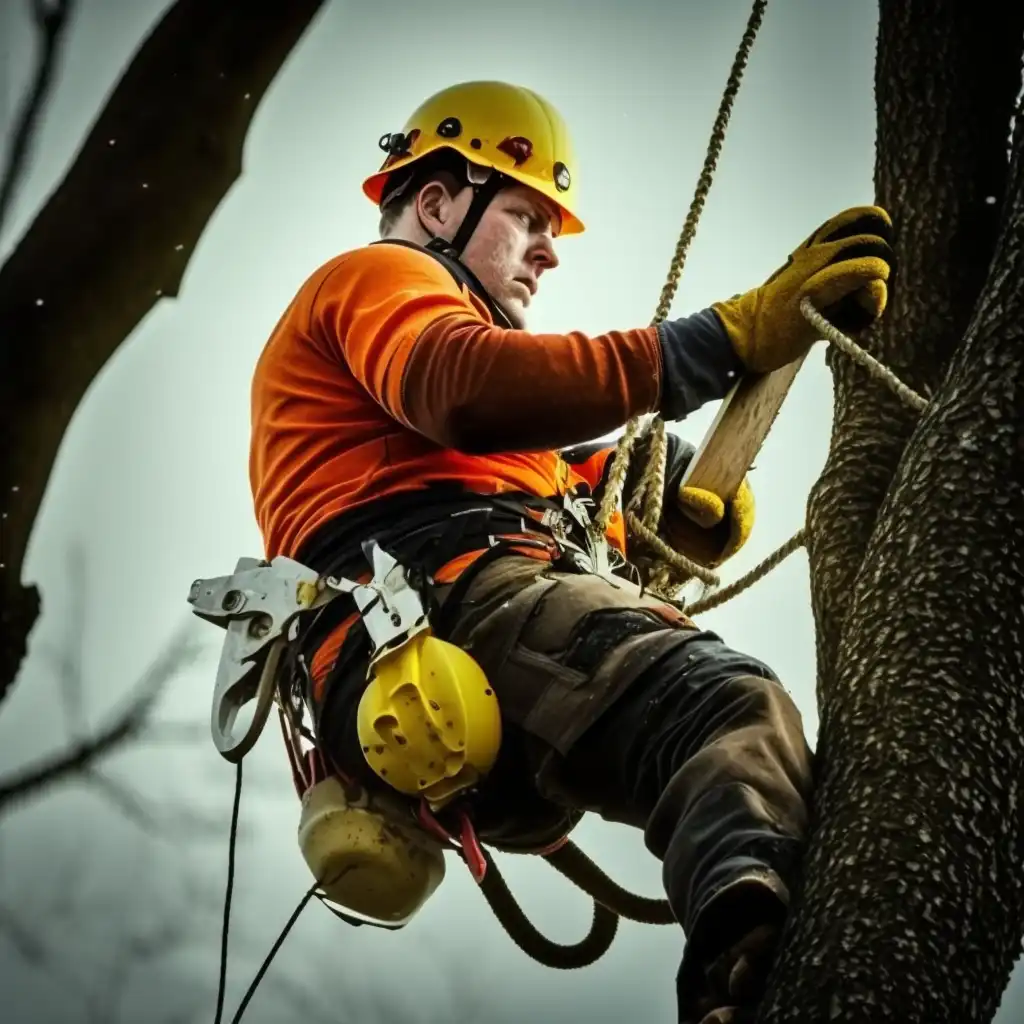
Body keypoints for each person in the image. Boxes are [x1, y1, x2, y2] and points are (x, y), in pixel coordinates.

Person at [248, 80, 893, 1023]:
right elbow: (459, 385)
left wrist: (657, 492)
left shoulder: (466, 425)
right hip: (451, 616)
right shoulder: (383, 279)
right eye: (525, 215)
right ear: (437, 203)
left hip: (460, 672)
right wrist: (712, 343)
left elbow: (536, 470)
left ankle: (753, 946)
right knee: (722, 708)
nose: (549, 251)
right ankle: (743, 967)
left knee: (760, 769)